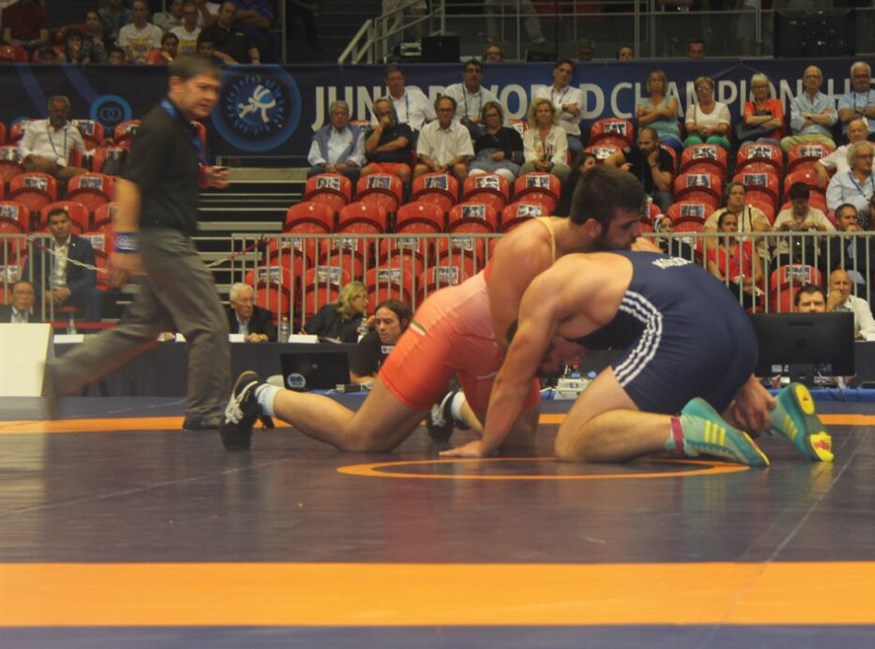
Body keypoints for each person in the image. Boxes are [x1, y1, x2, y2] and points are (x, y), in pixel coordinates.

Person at [221, 169, 648, 453]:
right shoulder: (529, 247)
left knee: (517, 447)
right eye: (628, 227)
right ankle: (259, 395)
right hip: (451, 330)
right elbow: (511, 350)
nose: (635, 236)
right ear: (594, 226)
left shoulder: (607, 248)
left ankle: (451, 404)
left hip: (495, 352)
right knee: (365, 439)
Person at [440, 249, 833, 465]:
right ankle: (778, 411)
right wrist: (745, 380)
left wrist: (486, 446)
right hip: (737, 327)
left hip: (687, 327)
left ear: (549, 337)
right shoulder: (615, 260)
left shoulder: (549, 299)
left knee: (573, 441)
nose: (573, 363)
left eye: (558, 360)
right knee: (641, 418)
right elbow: (688, 291)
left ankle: (689, 429)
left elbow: (510, 382)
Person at [43, 57, 232, 430]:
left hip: (160, 238)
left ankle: (62, 375)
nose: (211, 96)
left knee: (142, 328)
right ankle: (206, 411)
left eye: (215, 89)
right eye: (203, 88)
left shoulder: (181, 127)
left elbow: (164, 177)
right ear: (176, 84)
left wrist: (204, 177)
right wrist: (124, 246)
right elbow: (129, 184)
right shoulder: (159, 127)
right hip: (164, 241)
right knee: (209, 325)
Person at [24, 206, 101, 323]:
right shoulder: (39, 245)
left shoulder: (83, 245)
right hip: (45, 292)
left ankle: (92, 333)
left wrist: (68, 290)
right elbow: (28, 274)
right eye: (55, 223)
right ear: (49, 227)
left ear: (70, 223)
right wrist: (43, 293)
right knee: (22, 292)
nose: (60, 226)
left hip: (72, 293)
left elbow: (90, 278)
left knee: (94, 295)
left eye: (63, 221)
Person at [18, 95, 87, 182]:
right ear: (49, 111)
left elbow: (84, 153)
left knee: (84, 173)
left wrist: (100, 148)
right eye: (56, 111)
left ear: (67, 112)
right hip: (38, 163)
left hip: (60, 168)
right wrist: (30, 155)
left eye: (63, 111)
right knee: (39, 165)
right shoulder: (36, 126)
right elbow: (22, 146)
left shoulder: (73, 132)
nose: (59, 114)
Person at [827, 142, 875, 215]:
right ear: (853, 159)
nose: (868, 160)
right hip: (849, 219)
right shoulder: (839, 179)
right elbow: (833, 205)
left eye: (870, 156)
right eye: (863, 157)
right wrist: (853, 212)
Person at [706, 209, 764, 309]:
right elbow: (718, 280)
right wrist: (738, 286)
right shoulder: (713, 254)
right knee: (727, 287)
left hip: (750, 291)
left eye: (734, 224)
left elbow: (759, 273)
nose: (732, 227)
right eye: (728, 224)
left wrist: (748, 282)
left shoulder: (749, 246)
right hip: (727, 293)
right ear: (719, 229)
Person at [349, 299, 413, 384]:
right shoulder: (369, 341)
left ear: (403, 323)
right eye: (378, 322)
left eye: (388, 322)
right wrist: (383, 383)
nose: (381, 327)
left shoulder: (416, 343)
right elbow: (355, 378)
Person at [533, 59, 584, 161]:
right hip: (544, 134)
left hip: (568, 135)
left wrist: (549, 112)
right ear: (554, 72)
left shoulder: (577, 93)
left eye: (568, 72)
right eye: (561, 70)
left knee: (579, 150)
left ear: (571, 77)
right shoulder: (542, 91)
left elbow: (573, 113)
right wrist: (564, 107)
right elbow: (540, 112)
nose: (564, 74)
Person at [416, 96, 475, 182]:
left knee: (460, 168)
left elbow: (463, 155)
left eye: (448, 110)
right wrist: (433, 166)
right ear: (436, 112)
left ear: (454, 112)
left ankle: (465, 191)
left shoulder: (462, 130)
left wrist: (448, 166)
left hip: (453, 167)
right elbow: (423, 154)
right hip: (432, 167)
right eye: (442, 110)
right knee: (419, 169)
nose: (445, 113)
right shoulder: (426, 129)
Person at [362, 96, 419, 183]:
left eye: (388, 112)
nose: (386, 116)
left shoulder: (403, 127)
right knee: (365, 171)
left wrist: (378, 149)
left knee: (404, 172)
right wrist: (380, 127)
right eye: (382, 114)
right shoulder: (372, 132)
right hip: (377, 164)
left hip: (399, 164)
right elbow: (369, 149)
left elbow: (401, 143)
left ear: (393, 112)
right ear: (377, 116)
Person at [307, 100, 365, 181]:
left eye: (343, 114)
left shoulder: (357, 133)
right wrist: (326, 166)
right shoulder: (321, 134)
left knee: (351, 172)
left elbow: (360, 154)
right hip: (326, 168)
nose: (340, 117)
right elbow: (314, 155)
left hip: (347, 168)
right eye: (336, 114)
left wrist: (347, 165)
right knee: (313, 172)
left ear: (348, 116)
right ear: (331, 117)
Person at [781, 65, 837, 150]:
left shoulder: (829, 100)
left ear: (821, 81)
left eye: (816, 77)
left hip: (822, 137)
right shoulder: (796, 101)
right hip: (800, 137)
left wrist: (808, 116)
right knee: (785, 142)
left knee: (831, 145)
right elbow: (795, 122)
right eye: (809, 77)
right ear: (804, 81)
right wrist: (821, 116)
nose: (812, 79)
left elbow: (831, 120)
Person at [442, 59, 500, 140]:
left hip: (482, 137)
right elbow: (444, 117)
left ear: (482, 76)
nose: (474, 74)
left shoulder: (490, 97)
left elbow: (501, 121)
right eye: (470, 71)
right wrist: (471, 121)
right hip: (455, 135)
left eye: (477, 71)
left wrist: (481, 121)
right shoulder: (451, 92)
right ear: (463, 75)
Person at [837, 62, 875, 147]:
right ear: (852, 79)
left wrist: (858, 111)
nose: (861, 79)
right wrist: (872, 110)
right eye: (858, 77)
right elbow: (845, 117)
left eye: (864, 76)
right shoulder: (845, 98)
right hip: (852, 134)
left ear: (869, 78)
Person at [469, 100, 523, 182]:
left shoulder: (511, 133)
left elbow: (522, 156)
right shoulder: (479, 133)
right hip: (481, 164)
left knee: (500, 175)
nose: (493, 118)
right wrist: (479, 120)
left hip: (505, 165)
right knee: (475, 174)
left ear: (500, 116)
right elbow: (464, 122)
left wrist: (505, 154)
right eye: (489, 116)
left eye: (495, 115)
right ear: (485, 118)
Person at [520, 96, 570, 182]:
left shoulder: (560, 131)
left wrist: (551, 163)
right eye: (540, 111)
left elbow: (561, 152)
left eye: (546, 111)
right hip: (536, 164)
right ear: (535, 115)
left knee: (559, 170)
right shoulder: (528, 133)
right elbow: (528, 153)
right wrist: (537, 163)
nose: (543, 113)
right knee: (527, 167)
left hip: (555, 165)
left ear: (552, 114)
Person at [303, 281, 368, 343]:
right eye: (364, 297)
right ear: (352, 298)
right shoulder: (328, 311)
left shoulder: (362, 321)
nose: (367, 302)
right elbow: (307, 333)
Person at [635, 69, 682, 152]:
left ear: (664, 84)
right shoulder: (642, 101)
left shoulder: (671, 99)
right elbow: (641, 120)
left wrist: (647, 111)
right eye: (653, 80)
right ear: (649, 84)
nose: (656, 82)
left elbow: (669, 113)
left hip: (668, 136)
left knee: (662, 150)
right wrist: (660, 112)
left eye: (659, 80)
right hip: (646, 139)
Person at [826, 268, 875, 339]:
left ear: (850, 287)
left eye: (845, 283)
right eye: (837, 283)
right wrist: (829, 307)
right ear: (829, 286)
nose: (841, 288)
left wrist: (855, 336)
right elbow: (818, 329)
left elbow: (873, 330)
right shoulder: (820, 301)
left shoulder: (860, 304)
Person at [682, 75, 731, 148]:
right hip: (696, 136)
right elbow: (689, 126)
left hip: (718, 137)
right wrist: (699, 128)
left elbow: (723, 127)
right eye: (700, 90)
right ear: (697, 93)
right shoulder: (691, 108)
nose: (704, 92)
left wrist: (712, 129)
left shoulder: (722, 107)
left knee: (712, 140)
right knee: (694, 141)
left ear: (712, 90)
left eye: (707, 88)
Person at [384, 63, 436, 131]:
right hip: (393, 135)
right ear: (386, 81)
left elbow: (433, 120)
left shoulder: (418, 96)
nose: (396, 82)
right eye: (392, 79)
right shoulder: (382, 103)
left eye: (399, 78)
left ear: (403, 79)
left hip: (418, 135)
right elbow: (375, 126)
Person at [738, 73, 784, 143]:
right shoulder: (749, 105)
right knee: (745, 144)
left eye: (763, 86)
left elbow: (778, 123)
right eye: (757, 87)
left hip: (773, 138)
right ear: (752, 90)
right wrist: (770, 117)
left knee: (761, 141)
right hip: (753, 138)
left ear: (768, 88)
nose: (760, 89)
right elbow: (749, 120)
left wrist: (757, 122)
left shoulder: (777, 103)